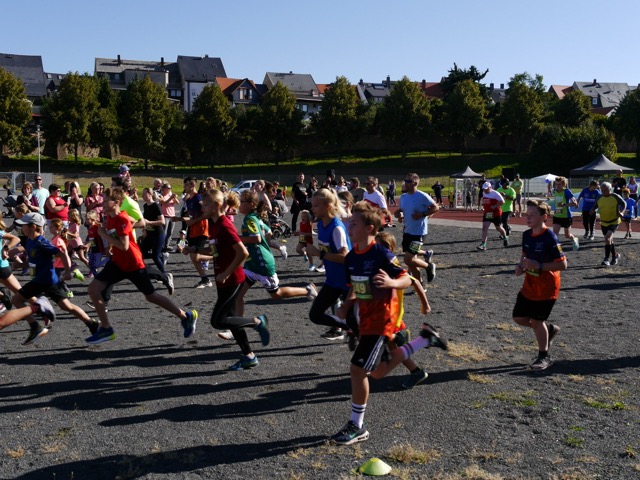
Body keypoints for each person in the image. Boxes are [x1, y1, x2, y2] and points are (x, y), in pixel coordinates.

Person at [330, 201, 447, 445]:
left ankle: (356, 425)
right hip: (365, 320)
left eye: (354, 224)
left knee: (357, 370)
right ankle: (424, 340)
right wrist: (347, 305)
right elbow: (355, 287)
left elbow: (406, 279)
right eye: (350, 223)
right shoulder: (351, 258)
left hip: (382, 320)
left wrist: (392, 283)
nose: (349, 227)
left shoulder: (381, 254)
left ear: (370, 228)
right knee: (378, 372)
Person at [86, 188, 197, 344]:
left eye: (105, 201)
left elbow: (124, 246)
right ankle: (106, 328)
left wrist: (104, 234)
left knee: (151, 296)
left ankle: (186, 316)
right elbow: (132, 225)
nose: (102, 203)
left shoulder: (121, 218)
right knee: (93, 289)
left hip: (133, 263)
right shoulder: (110, 217)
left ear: (116, 203)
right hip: (118, 262)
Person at [184, 189, 270, 370]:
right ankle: (249, 356)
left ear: (216, 206)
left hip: (232, 280)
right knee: (231, 320)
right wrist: (195, 250)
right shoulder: (214, 224)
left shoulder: (225, 226)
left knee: (218, 321)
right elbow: (216, 250)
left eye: (206, 204)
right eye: (202, 205)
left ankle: (257, 322)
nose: (203, 208)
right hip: (223, 279)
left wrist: (226, 273)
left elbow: (243, 253)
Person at [10, 212, 98, 345]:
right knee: (66, 306)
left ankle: (35, 327)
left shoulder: (41, 242)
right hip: (45, 280)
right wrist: (20, 265)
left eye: (24, 226)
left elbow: (61, 254)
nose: (21, 228)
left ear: (33, 227)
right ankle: (92, 324)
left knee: (16, 299)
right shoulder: (29, 241)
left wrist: (67, 271)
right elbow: (33, 261)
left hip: (45, 280)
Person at [233, 190, 317, 318]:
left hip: (262, 263)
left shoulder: (250, 219)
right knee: (237, 295)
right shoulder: (255, 217)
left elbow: (257, 238)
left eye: (241, 201)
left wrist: (236, 238)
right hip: (253, 263)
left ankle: (307, 290)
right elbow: (269, 232)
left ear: (250, 204)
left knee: (276, 294)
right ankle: (238, 324)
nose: (239, 203)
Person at [513, 200, 567, 370]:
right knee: (518, 318)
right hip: (529, 285)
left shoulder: (550, 237)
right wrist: (520, 268)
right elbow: (524, 257)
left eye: (532, 215)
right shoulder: (526, 235)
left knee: (537, 321)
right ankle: (547, 330)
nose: (527, 218)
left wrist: (540, 266)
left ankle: (544, 356)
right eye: (526, 215)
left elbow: (563, 264)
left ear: (544, 217)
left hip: (547, 287)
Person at [375, 230, 432, 389]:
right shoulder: (377, 265)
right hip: (383, 314)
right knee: (393, 348)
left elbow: (415, 282)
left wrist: (425, 305)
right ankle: (416, 370)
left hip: (392, 316)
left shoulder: (392, 268)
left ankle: (424, 341)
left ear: (390, 248)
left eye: (380, 247)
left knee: (392, 347)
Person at [306, 188, 352, 341]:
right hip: (332, 280)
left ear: (327, 206)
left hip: (347, 282)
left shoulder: (336, 227)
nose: (313, 208)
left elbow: (345, 257)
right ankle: (345, 326)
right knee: (315, 315)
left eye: (316, 205)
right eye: (312, 205)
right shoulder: (321, 225)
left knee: (358, 320)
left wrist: (319, 253)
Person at [395, 173, 438, 284]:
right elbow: (400, 211)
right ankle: (420, 285)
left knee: (408, 259)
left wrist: (422, 214)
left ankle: (429, 266)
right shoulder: (403, 197)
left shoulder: (422, 196)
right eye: (405, 181)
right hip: (407, 231)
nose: (406, 183)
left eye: (408, 181)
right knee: (411, 263)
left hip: (419, 232)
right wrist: (398, 214)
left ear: (415, 183)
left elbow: (435, 207)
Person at [176, 177, 211, 288]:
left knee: (194, 257)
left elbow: (205, 214)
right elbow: (191, 217)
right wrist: (179, 219)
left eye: (186, 185)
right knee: (188, 253)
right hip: (192, 229)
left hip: (201, 230)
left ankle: (218, 258)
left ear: (192, 185)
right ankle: (205, 278)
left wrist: (193, 221)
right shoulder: (189, 200)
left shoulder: (198, 198)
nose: (184, 187)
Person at [591, 182, 625, 266]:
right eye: (602, 190)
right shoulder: (599, 197)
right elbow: (595, 206)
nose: (604, 192)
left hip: (614, 221)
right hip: (604, 222)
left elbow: (624, 203)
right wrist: (592, 210)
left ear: (610, 189)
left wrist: (622, 212)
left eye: (605, 190)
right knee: (609, 240)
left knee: (607, 238)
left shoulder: (615, 196)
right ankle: (615, 256)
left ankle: (606, 259)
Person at [551, 176, 579, 252]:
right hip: (557, 215)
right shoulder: (554, 191)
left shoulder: (567, 192)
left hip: (566, 216)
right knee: (554, 235)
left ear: (563, 184)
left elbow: (575, 203)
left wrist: (565, 205)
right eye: (556, 184)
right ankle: (558, 250)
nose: (557, 186)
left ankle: (574, 239)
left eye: (559, 184)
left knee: (567, 235)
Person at [477, 182, 507, 251]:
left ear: (490, 188)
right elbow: (485, 200)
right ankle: (483, 244)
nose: (485, 190)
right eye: (484, 189)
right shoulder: (484, 192)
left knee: (498, 228)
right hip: (488, 213)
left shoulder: (495, 193)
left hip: (496, 214)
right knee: (485, 228)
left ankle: (505, 237)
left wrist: (495, 205)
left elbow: (503, 201)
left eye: (486, 189)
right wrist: (484, 204)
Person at [159, 182, 179, 251]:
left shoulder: (170, 195)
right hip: (165, 216)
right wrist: (171, 197)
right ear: (164, 189)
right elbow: (164, 203)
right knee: (164, 232)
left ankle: (166, 245)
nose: (170, 189)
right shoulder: (161, 196)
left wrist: (174, 197)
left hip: (172, 215)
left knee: (170, 232)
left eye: (170, 188)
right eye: (168, 188)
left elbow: (177, 202)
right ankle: (161, 245)